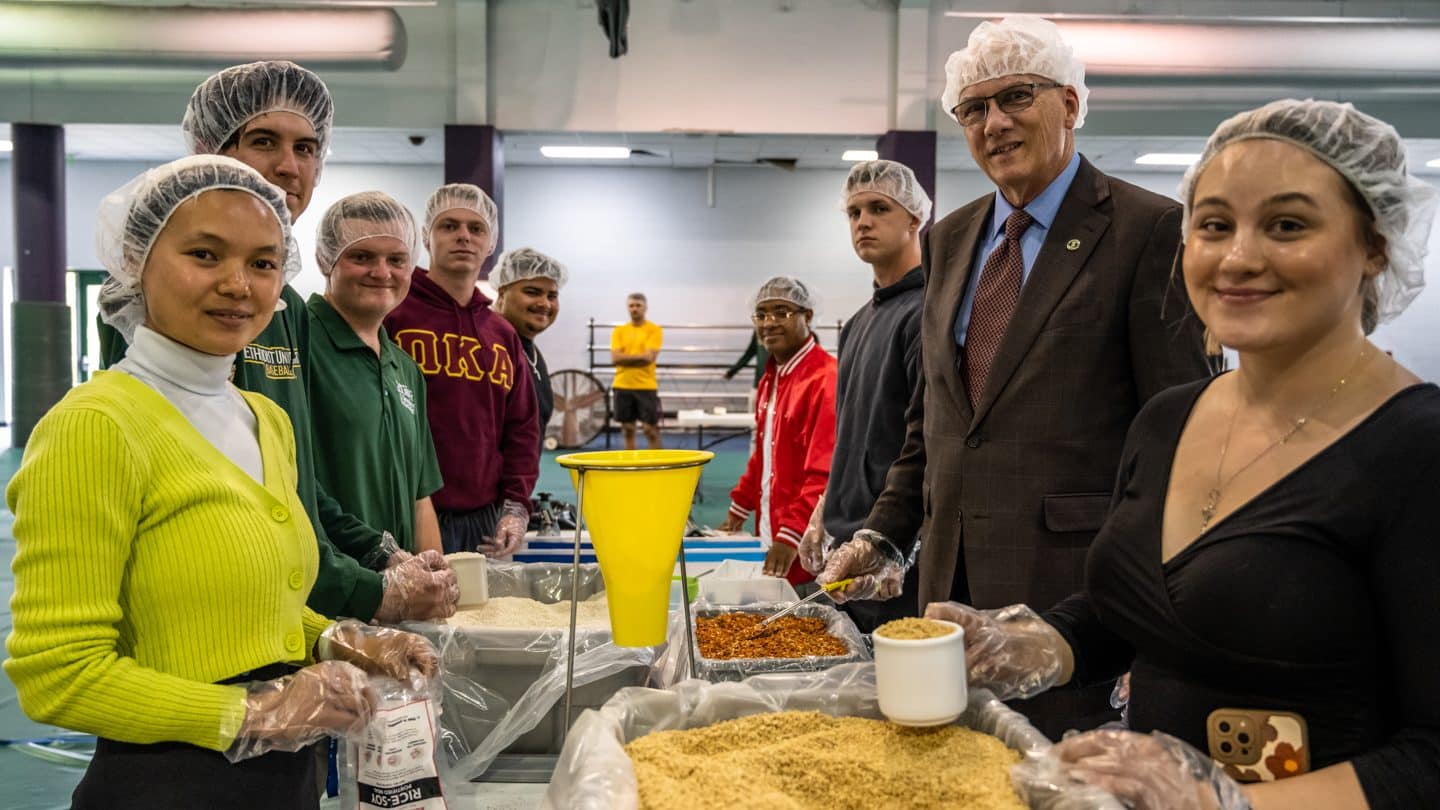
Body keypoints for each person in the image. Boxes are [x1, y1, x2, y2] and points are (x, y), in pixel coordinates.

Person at [928, 99, 1440, 810]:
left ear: (1376, 245)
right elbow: (1141, 614)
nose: (1237, 258)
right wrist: (1037, 643)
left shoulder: (1415, 450)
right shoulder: (1170, 420)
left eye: (1287, 225)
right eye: (1214, 225)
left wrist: (1225, 804)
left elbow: (1431, 757)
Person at [817, 15, 1210, 737]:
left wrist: (1149, 625)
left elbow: (1180, 441)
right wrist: (883, 536)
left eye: (1015, 98)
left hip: (1075, 602)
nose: (993, 122)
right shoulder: (950, 239)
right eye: (973, 108)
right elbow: (933, 423)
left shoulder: (1147, 230)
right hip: (942, 598)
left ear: (1069, 103)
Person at [5, 156, 440, 810]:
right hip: (167, 787)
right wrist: (251, 715)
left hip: (282, 781)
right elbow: (59, 676)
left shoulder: (263, 419)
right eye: (205, 255)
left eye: (264, 263)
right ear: (136, 262)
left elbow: (260, 605)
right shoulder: (97, 428)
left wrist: (342, 638)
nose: (238, 284)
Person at [96, 60, 454, 624]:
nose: (289, 166)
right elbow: (202, 496)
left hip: (287, 610)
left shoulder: (284, 312)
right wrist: (362, 591)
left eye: (307, 148)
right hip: (204, 622)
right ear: (209, 147)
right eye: (264, 141)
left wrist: (374, 552)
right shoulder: (156, 298)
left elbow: (289, 481)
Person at [797, 159, 930, 633]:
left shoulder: (927, 316)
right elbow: (852, 437)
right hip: (847, 546)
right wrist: (822, 511)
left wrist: (896, 548)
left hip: (895, 555)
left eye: (878, 208)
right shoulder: (856, 325)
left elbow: (926, 446)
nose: (863, 222)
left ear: (915, 218)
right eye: (853, 213)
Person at [385, 183, 539, 556]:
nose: (463, 237)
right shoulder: (393, 314)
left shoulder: (501, 333)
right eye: (449, 226)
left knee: (485, 613)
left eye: (476, 229)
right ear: (426, 236)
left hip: (482, 522)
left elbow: (522, 427)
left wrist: (515, 507)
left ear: (490, 245)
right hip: (405, 512)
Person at [307, 192, 444, 557]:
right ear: (326, 259)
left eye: (397, 260)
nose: (382, 273)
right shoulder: (297, 345)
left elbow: (420, 498)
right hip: (326, 594)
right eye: (361, 257)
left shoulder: (405, 368)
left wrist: (432, 582)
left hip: (400, 595)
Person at [719, 278, 837, 587]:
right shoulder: (771, 379)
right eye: (761, 314)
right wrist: (738, 506)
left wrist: (791, 536)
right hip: (772, 529)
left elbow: (824, 473)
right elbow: (765, 453)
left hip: (809, 545)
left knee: (809, 621)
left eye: (781, 312)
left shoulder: (824, 380)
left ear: (807, 316)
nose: (769, 323)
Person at [491, 247, 568, 453]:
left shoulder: (528, 349)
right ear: (502, 293)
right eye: (532, 292)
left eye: (552, 295)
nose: (544, 303)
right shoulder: (488, 347)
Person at [610, 292, 664, 450]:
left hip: (646, 386)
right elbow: (615, 359)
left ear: (645, 307)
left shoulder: (654, 330)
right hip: (622, 385)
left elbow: (649, 358)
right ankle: (631, 467)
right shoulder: (619, 331)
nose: (634, 309)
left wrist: (625, 357)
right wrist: (640, 357)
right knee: (628, 429)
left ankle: (658, 466)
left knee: (650, 430)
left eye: (638, 305)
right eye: (631, 306)